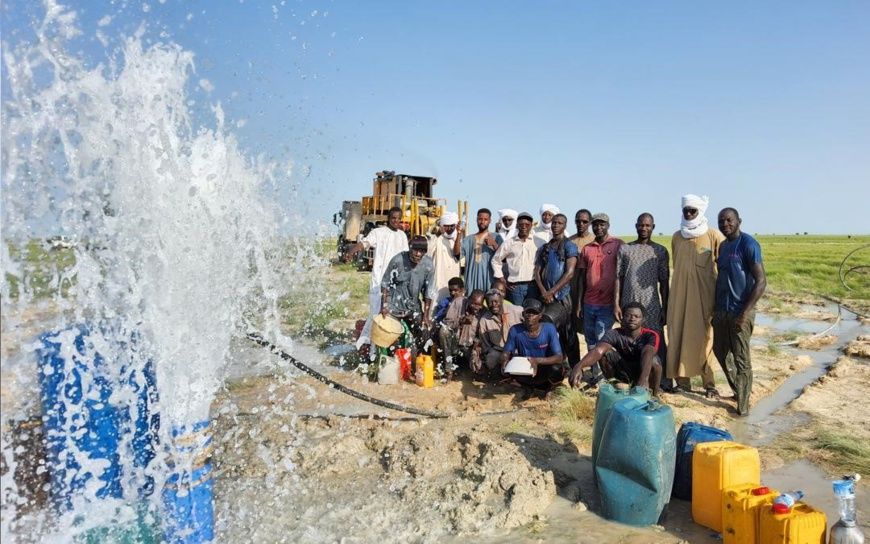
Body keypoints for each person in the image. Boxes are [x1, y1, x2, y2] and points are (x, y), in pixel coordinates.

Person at [666, 194, 725, 397]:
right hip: (680, 298)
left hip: (705, 299)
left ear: (700, 212)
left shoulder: (713, 235)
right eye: (686, 211)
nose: (689, 214)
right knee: (679, 336)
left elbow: (723, 267)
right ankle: (682, 383)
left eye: (693, 211)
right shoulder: (676, 237)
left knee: (706, 339)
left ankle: (709, 384)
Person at [713, 207, 766, 416]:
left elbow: (761, 281)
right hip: (721, 310)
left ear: (739, 221)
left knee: (741, 359)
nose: (725, 224)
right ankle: (738, 390)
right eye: (721, 221)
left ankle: (743, 408)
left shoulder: (749, 244)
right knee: (719, 351)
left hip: (740, 311)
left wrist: (744, 313)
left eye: (729, 220)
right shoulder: (724, 246)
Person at [344, 206, 409, 350]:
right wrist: (352, 251)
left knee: (390, 316)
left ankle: (384, 347)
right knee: (376, 314)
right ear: (388, 219)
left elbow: (406, 258)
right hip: (379, 282)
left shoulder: (402, 236)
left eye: (399, 219)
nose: (396, 221)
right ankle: (369, 348)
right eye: (393, 218)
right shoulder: (378, 232)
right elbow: (364, 243)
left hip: (395, 283)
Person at [614, 213, 670, 370]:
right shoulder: (625, 249)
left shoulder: (659, 251)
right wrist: (616, 305)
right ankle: (630, 374)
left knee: (656, 339)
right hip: (628, 303)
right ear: (636, 226)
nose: (644, 228)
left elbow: (664, 283)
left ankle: (662, 379)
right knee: (629, 339)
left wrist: (665, 308)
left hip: (651, 305)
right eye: (641, 225)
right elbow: (618, 278)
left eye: (647, 225)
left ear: (653, 227)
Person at [568, 302, 663, 395]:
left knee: (654, 361)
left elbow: (648, 352)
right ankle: (615, 389)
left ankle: (654, 394)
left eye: (636, 316)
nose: (632, 319)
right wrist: (579, 366)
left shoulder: (651, 335)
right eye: (628, 315)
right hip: (624, 371)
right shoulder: (614, 333)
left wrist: (644, 379)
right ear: (622, 317)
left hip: (644, 372)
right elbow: (598, 350)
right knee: (605, 354)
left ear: (643, 320)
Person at [532, 213, 580, 366]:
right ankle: (551, 365)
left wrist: (551, 291)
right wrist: (543, 291)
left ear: (565, 226)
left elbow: (570, 273)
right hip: (546, 297)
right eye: (554, 223)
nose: (556, 225)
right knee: (547, 330)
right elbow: (537, 272)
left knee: (568, 333)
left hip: (562, 296)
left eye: (559, 223)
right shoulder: (546, 247)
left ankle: (574, 367)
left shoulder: (569, 246)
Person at [576, 213, 624, 353]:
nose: (599, 227)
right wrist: (579, 303)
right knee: (590, 338)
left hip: (608, 303)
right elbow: (581, 278)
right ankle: (595, 371)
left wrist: (618, 303)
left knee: (602, 337)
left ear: (608, 226)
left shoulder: (618, 245)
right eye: (595, 225)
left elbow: (623, 274)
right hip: (589, 302)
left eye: (602, 224)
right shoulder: (587, 248)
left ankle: (603, 372)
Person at [500, 298, 566, 399]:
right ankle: (527, 388)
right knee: (504, 369)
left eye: (534, 313)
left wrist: (537, 361)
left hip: (544, 370)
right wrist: (504, 359)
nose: (530, 316)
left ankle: (550, 388)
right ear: (523, 314)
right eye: (527, 313)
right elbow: (506, 351)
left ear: (540, 316)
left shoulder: (549, 328)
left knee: (557, 368)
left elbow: (559, 357)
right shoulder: (515, 330)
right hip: (525, 370)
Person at [381, 236, 436, 352]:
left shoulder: (428, 265)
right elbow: (385, 283)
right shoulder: (397, 260)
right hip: (394, 306)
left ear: (425, 252)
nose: (417, 254)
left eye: (421, 251)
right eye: (415, 250)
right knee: (390, 335)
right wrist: (384, 306)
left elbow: (429, 292)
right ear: (409, 249)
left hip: (413, 307)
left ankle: (419, 358)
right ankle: (392, 360)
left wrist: (426, 316)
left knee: (423, 331)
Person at [491, 212, 544, 305]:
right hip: (515, 287)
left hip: (533, 285)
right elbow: (495, 260)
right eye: (521, 224)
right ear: (517, 225)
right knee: (517, 314)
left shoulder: (539, 242)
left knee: (532, 313)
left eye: (527, 225)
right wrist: (502, 279)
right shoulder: (509, 243)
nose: (524, 227)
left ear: (531, 226)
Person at [473, 288, 523, 377]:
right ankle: (501, 376)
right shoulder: (484, 320)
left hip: (517, 348)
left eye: (496, 301)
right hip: (499, 350)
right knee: (491, 359)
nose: (493, 305)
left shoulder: (517, 311)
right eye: (490, 303)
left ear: (502, 300)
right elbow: (486, 345)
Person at [437, 289, 485, 380]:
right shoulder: (458, 302)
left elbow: (483, 334)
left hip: (469, 346)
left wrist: (478, 342)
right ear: (469, 299)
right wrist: (460, 321)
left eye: (479, 305)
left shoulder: (484, 313)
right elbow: (446, 323)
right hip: (454, 342)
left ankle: (472, 371)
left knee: (478, 368)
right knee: (444, 331)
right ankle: (448, 369)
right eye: (474, 304)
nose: (476, 307)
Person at [460, 208, 502, 294]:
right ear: (476, 220)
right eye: (480, 219)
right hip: (471, 278)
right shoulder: (468, 239)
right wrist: (458, 233)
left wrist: (494, 244)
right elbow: (457, 255)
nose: (482, 222)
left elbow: (504, 258)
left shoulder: (496, 237)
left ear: (490, 221)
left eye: (485, 219)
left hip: (489, 277)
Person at [427, 211, 462, 309]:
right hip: (438, 279)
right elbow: (428, 252)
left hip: (453, 279)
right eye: (446, 226)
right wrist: (438, 234)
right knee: (435, 306)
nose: (450, 229)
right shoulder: (437, 239)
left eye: (452, 226)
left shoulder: (459, 240)